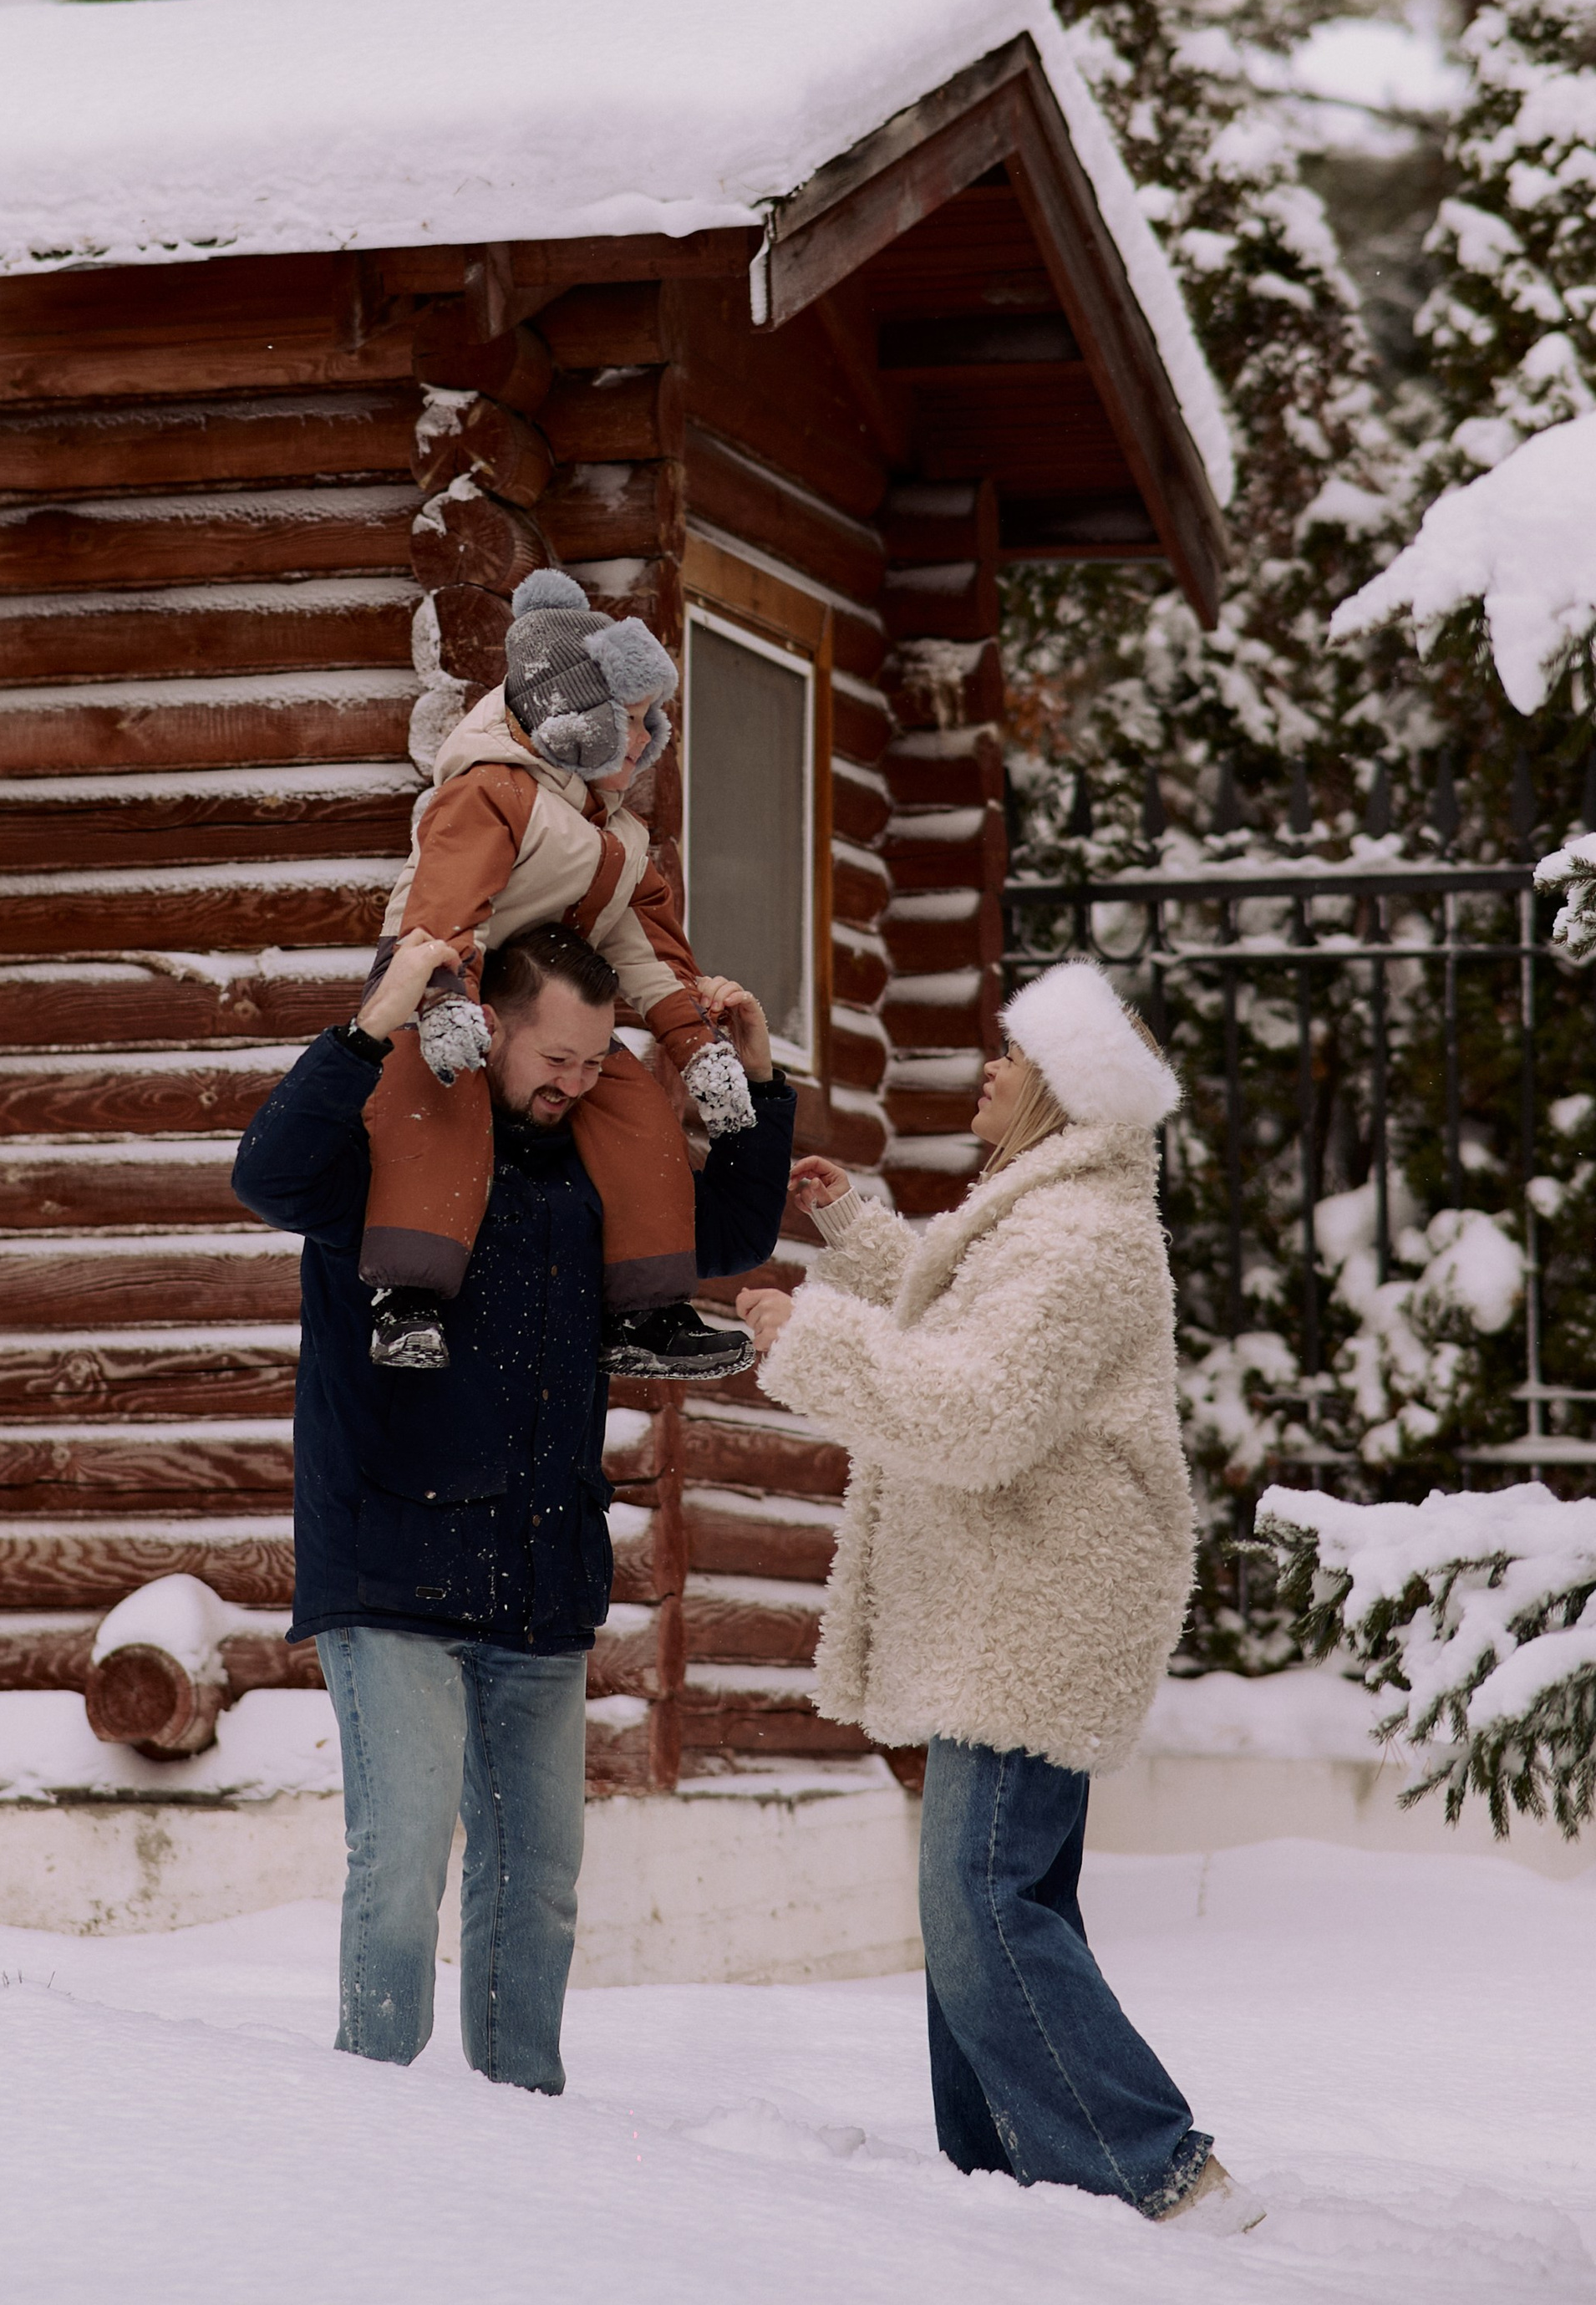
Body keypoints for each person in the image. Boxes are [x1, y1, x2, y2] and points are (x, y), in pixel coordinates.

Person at [737, 958, 1266, 2238]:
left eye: (1013, 1054)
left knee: (983, 1900)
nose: (988, 1067)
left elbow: (973, 1408)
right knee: (987, 1898)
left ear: (1066, 1092)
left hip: (1036, 1611)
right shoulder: (1043, 1215)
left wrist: (801, 1338)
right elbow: (971, 1320)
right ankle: (1000, 2183)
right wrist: (857, 1235)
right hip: (1014, 1601)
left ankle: (1155, 2163)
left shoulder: (1081, 1237)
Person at [232, 916, 795, 2095]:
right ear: (490, 1025)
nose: (574, 1084)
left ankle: (524, 2129)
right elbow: (268, 1175)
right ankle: (370, 2115)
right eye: (556, 1059)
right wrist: (372, 1021)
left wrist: (758, 1081)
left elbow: (725, 1236)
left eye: (596, 1064)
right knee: (400, 1868)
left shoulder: (589, 1157)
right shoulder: (396, 1142)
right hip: (391, 1560)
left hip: (540, 1571)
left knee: (536, 1878)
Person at [361, 568, 757, 1381]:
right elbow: (444, 903)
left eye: (654, 724)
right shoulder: (491, 791)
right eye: (631, 723)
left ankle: (646, 1310)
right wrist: (439, 1000)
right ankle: (408, 1297)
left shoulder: (614, 831)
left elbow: (649, 945)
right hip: (438, 972)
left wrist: (695, 1043)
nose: (648, 742)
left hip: (552, 998)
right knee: (437, 1096)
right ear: (577, 720)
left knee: (635, 1110)